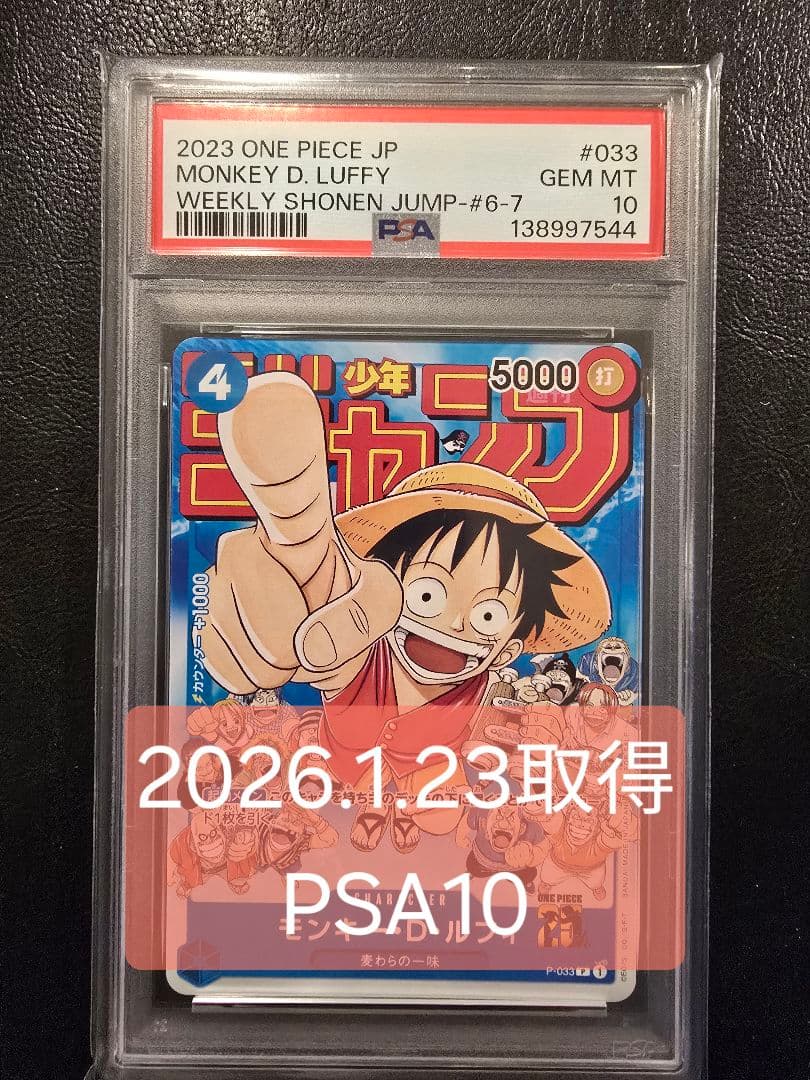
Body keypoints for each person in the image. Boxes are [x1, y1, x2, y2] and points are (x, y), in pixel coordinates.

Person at [198, 372, 611, 849]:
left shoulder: (488, 695)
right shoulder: (359, 653)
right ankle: (379, 804)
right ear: (387, 590)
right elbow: (326, 636)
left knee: (437, 814)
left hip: (430, 777)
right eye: (426, 594)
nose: (452, 624)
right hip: (342, 775)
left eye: (489, 615)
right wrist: (294, 571)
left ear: (508, 650)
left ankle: (403, 804)